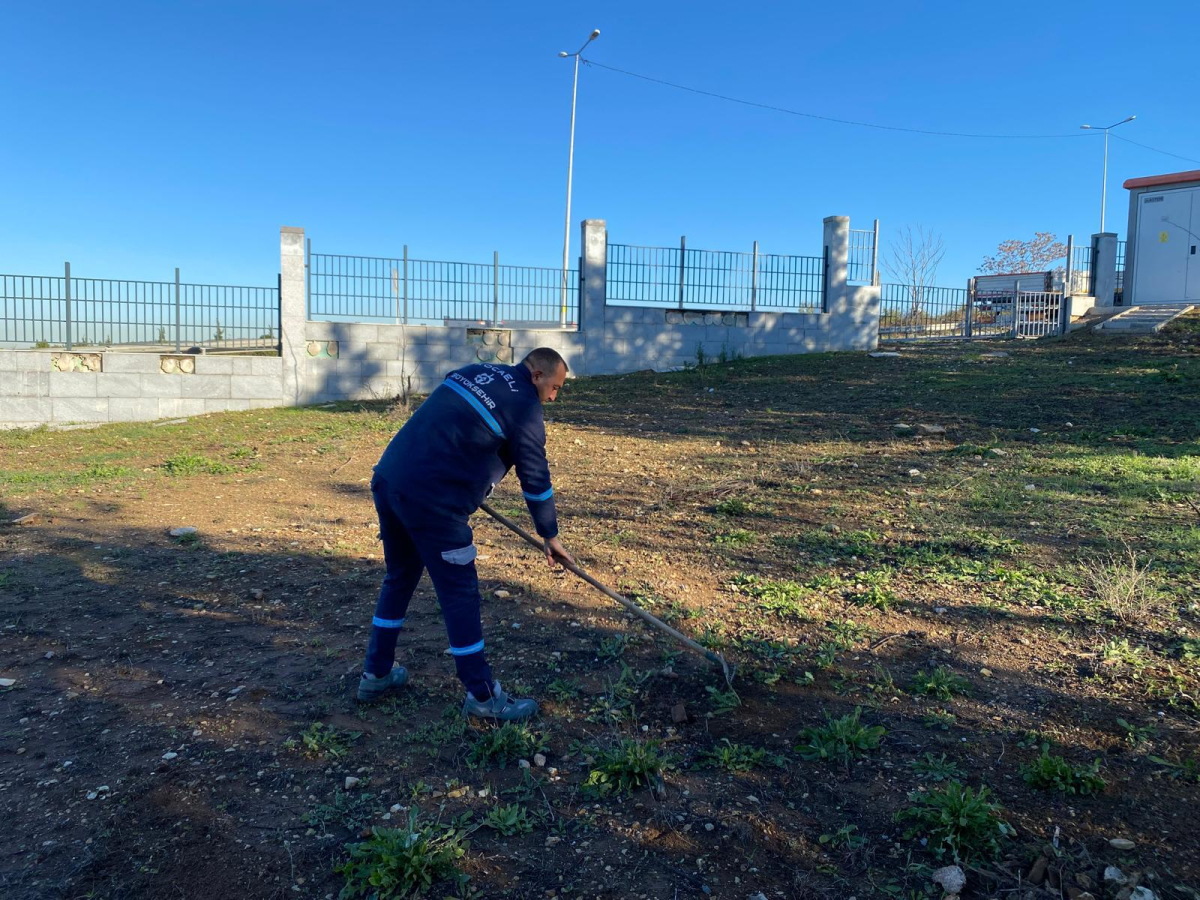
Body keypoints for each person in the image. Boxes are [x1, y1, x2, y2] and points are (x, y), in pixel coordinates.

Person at [357, 347, 574, 721]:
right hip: (434, 502)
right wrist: (550, 534)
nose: (553, 397)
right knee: (459, 594)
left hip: (390, 480)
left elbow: (453, 410)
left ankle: (376, 673)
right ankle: (483, 695)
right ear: (537, 374)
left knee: (399, 578)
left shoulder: (476, 370)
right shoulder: (525, 407)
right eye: (554, 387)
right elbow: (536, 479)